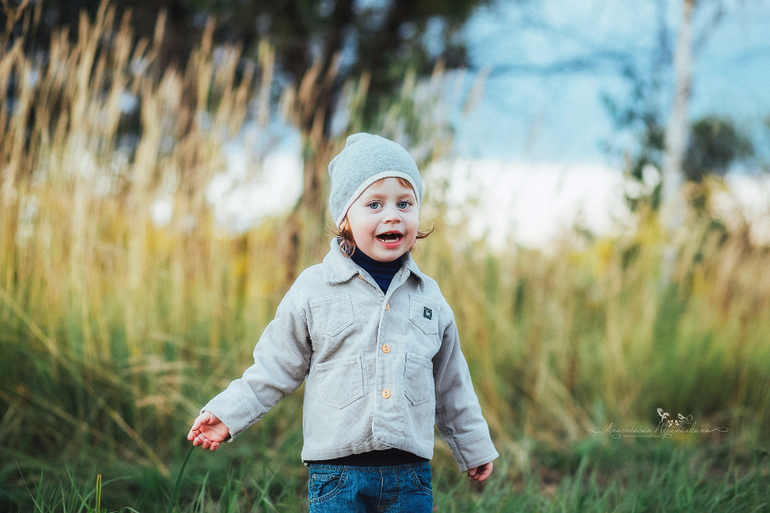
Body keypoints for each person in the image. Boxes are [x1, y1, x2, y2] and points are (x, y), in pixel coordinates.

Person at [188, 133, 498, 512]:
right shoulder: (314, 289)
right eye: (374, 204)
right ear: (345, 218)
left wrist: (472, 446)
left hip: (411, 477)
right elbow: (274, 366)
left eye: (404, 203)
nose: (392, 215)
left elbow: (452, 384)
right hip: (337, 476)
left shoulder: (429, 298)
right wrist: (228, 414)